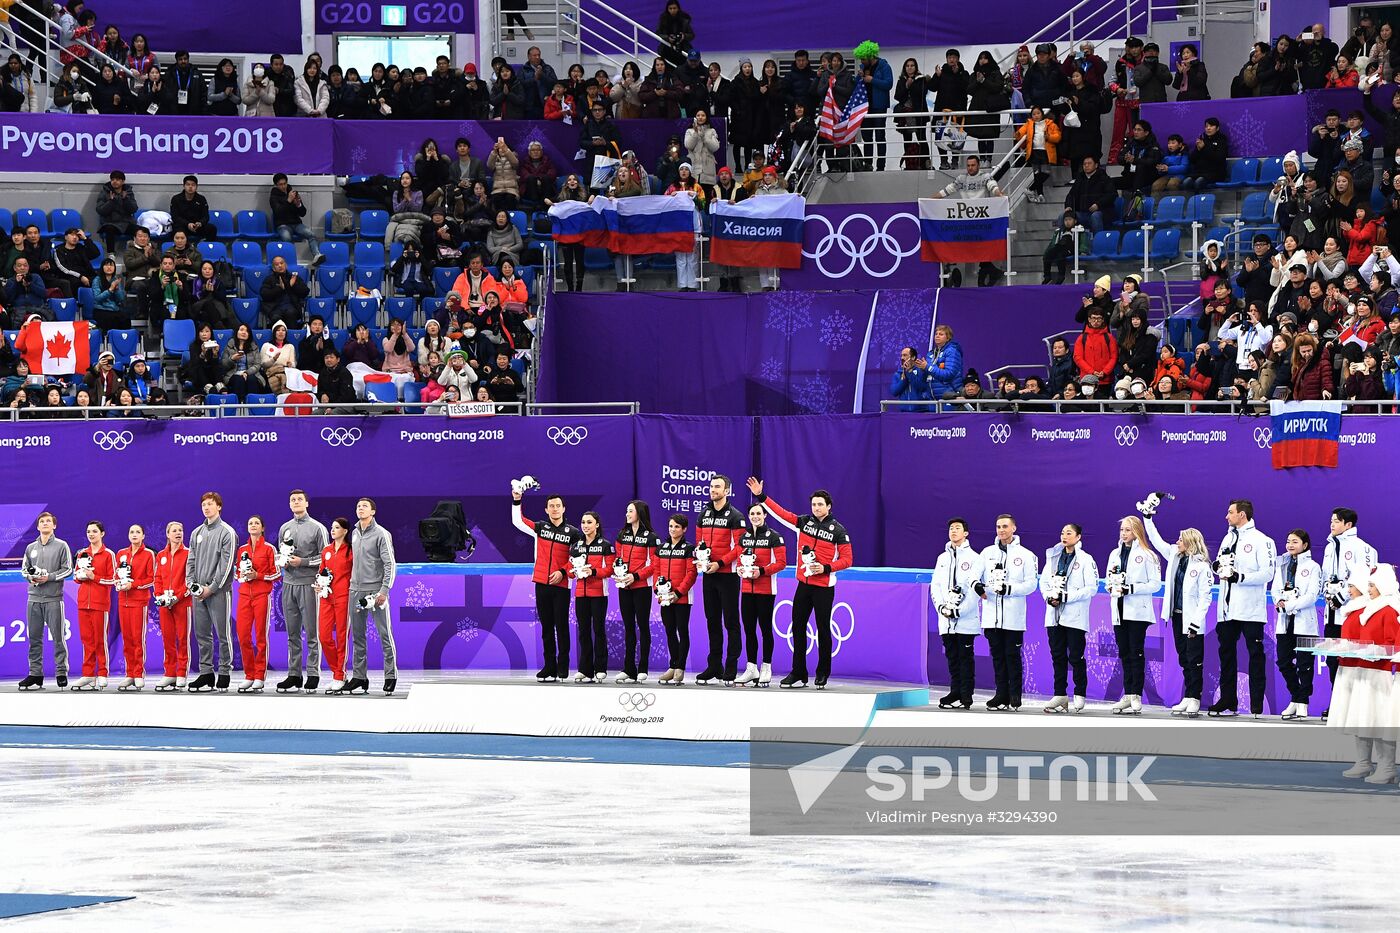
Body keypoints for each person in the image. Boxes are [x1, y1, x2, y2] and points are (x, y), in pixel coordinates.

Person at [747, 477, 853, 689]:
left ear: (829, 506)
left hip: (824, 587)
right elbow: (780, 513)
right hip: (803, 585)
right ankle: (799, 673)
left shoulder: (838, 530)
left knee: (823, 629)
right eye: (813, 504)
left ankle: (822, 673)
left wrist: (826, 568)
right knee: (797, 628)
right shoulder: (804, 522)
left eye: (820, 504)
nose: (816, 508)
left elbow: (848, 559)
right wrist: (761, 497)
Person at [1139, 497, 1212, 716]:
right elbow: (1155, 538)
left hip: (1192, 619)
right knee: (1183, 658)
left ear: (1190, 542)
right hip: (1177, 615)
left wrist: (1195, 622)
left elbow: (1205, 598)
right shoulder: (1173, 555)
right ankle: (1188, 696)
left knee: (1194, 660)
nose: (1177, 542)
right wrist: (1147, 518)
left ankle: (1195, 698)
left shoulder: (1202, 566)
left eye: (1181, 539)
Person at [1208, 499, 1276, 717]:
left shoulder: (1262, 540)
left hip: (1251, 610)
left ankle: (1256, 703)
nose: (1226, 517)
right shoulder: (1229, 537)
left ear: (1242, 515)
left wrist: (1240, 577)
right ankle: (1228, 699)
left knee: (1255, 655)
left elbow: (1268, 574)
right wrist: (1217, 566)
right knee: (1226, 655)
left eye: (1230, 512)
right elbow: (1219, 562)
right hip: (1227, 609)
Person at [511, 485, 583, 683]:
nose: (554, 509)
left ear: (564, 508)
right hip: (542, 583)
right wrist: (517, 500)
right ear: (546, 510)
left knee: (561, 626)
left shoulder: (574, 533)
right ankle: (549, 666)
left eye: (558, 506)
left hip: (561, 586)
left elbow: (578, 559)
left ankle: (562, 667)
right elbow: (518, 521)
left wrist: (562, 572)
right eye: (551, 506)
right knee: (546, 628)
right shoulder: (540, 528)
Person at [331, 498, 398, 696]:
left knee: (384, 634)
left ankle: (390, 676)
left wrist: (384, 591)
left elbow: (389, 564)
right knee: (358, 636)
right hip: (355, 590)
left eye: (365, 506)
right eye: (358, 506)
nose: (360, 508)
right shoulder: (354, 533)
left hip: (376, 591)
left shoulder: (381, 534)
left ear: (373, 512)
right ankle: (360, 677)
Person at [1318, 508, 1377, 714]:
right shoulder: (1328, 548)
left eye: (1336, 521)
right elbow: (1326, 576)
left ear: (1348, 525)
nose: (1332, 524)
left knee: (1352, 659)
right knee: (1333, 659)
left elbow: (1363, 580)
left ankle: (1355, 706)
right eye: (1331, 520)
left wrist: (1341, 597)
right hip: (1331, 613)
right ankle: (1337, 703)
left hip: (1353, 615)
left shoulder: (1363, 548)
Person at [270, 490, 329, 694]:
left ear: (306, 503)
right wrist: (283, 562)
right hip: (288, 584)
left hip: (309, 585)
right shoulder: (284, 528)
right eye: (292, 500)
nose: (296, 502)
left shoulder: (317, 528)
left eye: (299, 499)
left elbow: (326, 558)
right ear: (289, 505)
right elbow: (281, 554)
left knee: (312, 632)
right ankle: (294, 674)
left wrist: (302, 562)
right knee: (292, 633)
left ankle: (313, 673)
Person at [1101, 516, 1161, 714]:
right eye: (1122, 530)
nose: (1124, 533)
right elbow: (1109, 578)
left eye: (1127, 530)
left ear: (1136, 531)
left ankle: (1136, 694)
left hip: (1137, 611)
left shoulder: (1147, 555)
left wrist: (1131, 588)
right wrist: (1112, 586)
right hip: (1118, 609)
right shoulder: (1114, 554)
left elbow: (1154, 584)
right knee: (1124, 652)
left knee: (1136, 652)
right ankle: (1127, 695)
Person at [1040, 523, 1098, 713]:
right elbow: (1044, 581)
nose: (1064, 536)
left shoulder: (1086, 559)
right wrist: (1049, 596)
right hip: (1054, 614)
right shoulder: (1054, 556)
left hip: (1074, 616)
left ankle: (1079, 692)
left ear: (1078, 537)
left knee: (1075, 656)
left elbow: (1091, 588)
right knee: (1057, 655)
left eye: (1069, 533)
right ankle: (1060, 694)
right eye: (1062, 532)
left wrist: (1067, 597)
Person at [1266, 527, 1321, 722]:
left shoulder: (1313, 567)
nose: (1290, 544)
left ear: (1305, 545)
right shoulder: (1281, 564)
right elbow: (1274, 589)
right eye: (1288, 541)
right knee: (1283, 661)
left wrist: (1290, 605)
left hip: (1305, 624)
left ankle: (1303, 702)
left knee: (1305, 665)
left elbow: (1312, 595)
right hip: (1284, 623)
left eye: (1295, 541)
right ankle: (1296, 696)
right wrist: (1278, 602)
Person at [186, 491, 237, 693]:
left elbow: (226, 566)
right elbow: (191, 560)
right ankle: (206, 673)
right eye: (204, 505)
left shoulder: (227, 532)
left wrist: (211, 588)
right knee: (202, 635)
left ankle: (224, 672)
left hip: (218, 592)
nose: (206, 507)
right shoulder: (196, 532)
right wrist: (192, 584)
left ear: (219, 507)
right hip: (199, 593)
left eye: (210, 504)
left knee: (223, 634)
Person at [929, 516, 982, 709]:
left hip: (965, 619)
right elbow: (935, 586)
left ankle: (966, 696)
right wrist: (942, 608)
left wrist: (958, 611)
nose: (953, 531)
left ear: (966, 533)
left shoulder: (975, 558)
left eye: (957, 528)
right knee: (952, 658)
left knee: (965, 658)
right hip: (945, 619)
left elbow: (975, 591)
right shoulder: (942, 558)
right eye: (951, 528)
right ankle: (955, 691)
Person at [732, 501, 786, 688]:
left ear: (765, 516)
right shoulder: (743, 538)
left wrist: (761, 571)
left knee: (764, 629)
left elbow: (781, 563)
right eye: (752, 514)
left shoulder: (775, 537)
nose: (755, 516)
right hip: (747, 590)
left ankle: (766, 667)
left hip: (766, 590)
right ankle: (751, 667)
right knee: (748, 629)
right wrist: (740, 570)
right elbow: (739, 560)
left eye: (758, 513)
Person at [930, 155, 1005, 287]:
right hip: (966, 221)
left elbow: (992, 186)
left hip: (982, 221)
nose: (970, 168)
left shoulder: (985, 176)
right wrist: (929, 200)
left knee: (979, 246)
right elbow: (946, 191)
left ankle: (989, 270)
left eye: (973, 165)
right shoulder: (961, 179)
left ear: (978, 166)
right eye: (968, 166)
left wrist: (999, 194)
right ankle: (990, 270)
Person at [16, 512, 71, 691]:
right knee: (34, 638)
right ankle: (35, 674)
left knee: (58, 638)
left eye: (48, 521)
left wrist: (49, 577)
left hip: (54, 599)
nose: (45, 523)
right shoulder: (30, 547)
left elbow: (68, 569)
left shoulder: (62, 546)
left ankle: (61, 672)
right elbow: (24, 570)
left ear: (54, 525)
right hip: (33, 599)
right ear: (38, 526)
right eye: (42, 521)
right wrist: (31, 579)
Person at [612, 500, 659, 684]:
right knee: (628, 627)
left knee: (643, 626)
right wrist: (619, 573)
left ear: (639, 513)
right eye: (626, 510)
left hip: (642, 588)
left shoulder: (651, 537)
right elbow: (618, 559)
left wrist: (636, 576)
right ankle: (628, 668)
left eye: (630, 511)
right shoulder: (621, 535)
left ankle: (643, 668)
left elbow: (654, 564)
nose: (627, 513)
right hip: (624, 587)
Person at [565, 511, 614, 683]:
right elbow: (570, 567)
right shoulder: (576, 546)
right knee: (583, 632)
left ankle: (600, 668)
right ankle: (585, 669)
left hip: (599, 594)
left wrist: (592, 571)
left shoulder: (605, 546)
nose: (585, 525)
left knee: (598, 630)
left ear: (597, 525)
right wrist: (570, 572)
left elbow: (610, 570)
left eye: (589, 522)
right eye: (583, 522)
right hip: (581, 594)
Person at [69, 519, 116, 691]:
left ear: (102, 533)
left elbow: (113, 580)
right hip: (83, 603)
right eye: (88, 531)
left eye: (94, 531)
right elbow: (75, 577)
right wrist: (80, 576)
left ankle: (102, 673)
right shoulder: (82, 553)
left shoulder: (108, 554)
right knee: (87, 640)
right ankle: (88, 674)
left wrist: (93, 577)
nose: (91, 534)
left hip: (100, 603)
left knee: (100, 640)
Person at [148, 521, 191, 691]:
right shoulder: (161, 556)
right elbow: (157, 577)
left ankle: (181, 673)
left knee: (182, 639)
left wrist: (177, 597)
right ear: (167, 534)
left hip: (182, 603)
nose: (178, 533)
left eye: (180, 530)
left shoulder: (188, 553)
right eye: (174, 531)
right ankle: (170, 673)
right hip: (164, 604)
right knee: (168, 639)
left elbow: (190, 579)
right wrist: (159, 595)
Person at [112, 524, 155, 691]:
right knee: (127, 639)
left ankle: (138, 673)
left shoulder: (148, 554)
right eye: (131, 532)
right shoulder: (121, 554)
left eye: (138, 532)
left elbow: (152, 579)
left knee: (137, 639)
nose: (134, 534)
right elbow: (116, 574)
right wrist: (118, 583)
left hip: (139, 602)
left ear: (143, 535)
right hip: (123, 601)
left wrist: (133, 584)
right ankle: (129, 674)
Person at [315, 517, 353, 693]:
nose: (333, 530)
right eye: (332, 527)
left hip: (344, 597)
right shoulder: (326, 550)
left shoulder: (350, 551)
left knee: (341, 636)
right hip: (326, 597)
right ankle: (337, 671)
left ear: (345, 531)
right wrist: (319, 584)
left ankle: (339, 675)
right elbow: (322, 571)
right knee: (324, 636)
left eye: (337, 527)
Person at [1063, 155, 1117, 231]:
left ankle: (1098, 241)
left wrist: (1098, 204)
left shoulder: (1104, 178)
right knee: (1063, 216)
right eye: (1084, 164)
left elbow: (1112, 194)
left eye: (1089, 163)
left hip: (1102, 212)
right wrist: (1068, 206)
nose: (1086, 165)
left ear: (1096, 165)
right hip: (1082, 213)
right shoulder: (1080, 179)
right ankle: (1065, 240)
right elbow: (1071, 195)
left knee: (1095, 216)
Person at [95, 169, 138, 253]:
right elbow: (100, 210)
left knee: (140, 230)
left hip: (126, 222)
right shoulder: (104, 192)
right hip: (110, 222)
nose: (115, 182)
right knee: (109, 229)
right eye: (113, 179)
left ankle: (137, 252)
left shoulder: (128, 192)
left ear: (122, 181)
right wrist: (111, 202)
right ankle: (111, 254)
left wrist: (126, 200)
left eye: (117, 179)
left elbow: (133, 209)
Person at [170, 175, 213, 243]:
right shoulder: (176, 199)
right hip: (183, 226)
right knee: (178, 232)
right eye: (188, 184)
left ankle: (205, 247)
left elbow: (206, 216)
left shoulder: (201, 199)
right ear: (184, 186)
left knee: (212, 229)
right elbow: (175, 217)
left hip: (197, 227)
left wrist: (200, 223)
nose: (190, 187)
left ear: (196, 187)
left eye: (193, 185)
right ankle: (183, 250)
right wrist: (187, 224)